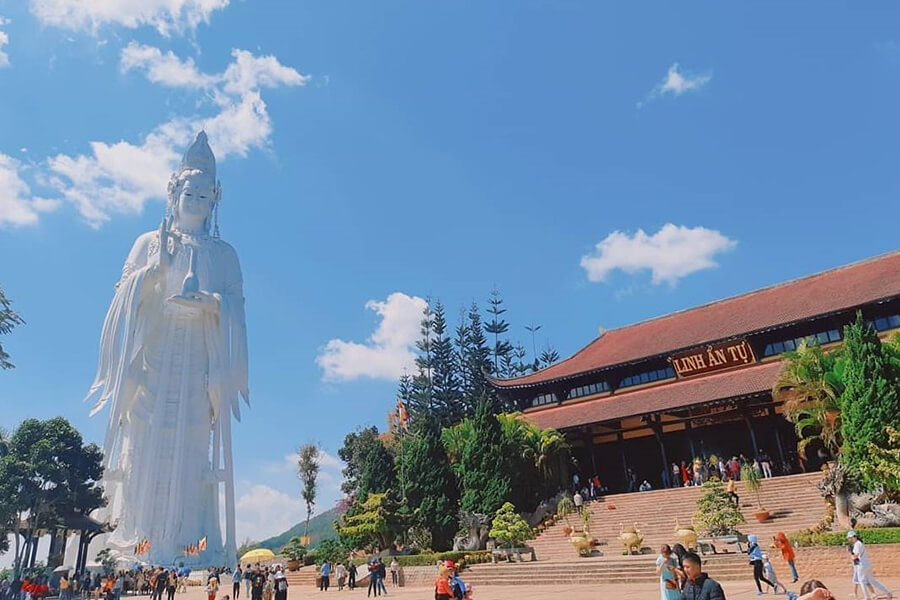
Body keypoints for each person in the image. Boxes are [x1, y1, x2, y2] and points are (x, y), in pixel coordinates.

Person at [848, 530, 893, 600]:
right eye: (849, 538)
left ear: (855, 537)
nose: (850, 539)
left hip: (861, 565)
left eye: (851, 537)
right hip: (866, 564)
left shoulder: (857, 544)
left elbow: (855, 556)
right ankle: (888, 592)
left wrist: (851, 554)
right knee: (872, 581)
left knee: (862, 581)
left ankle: (866, 597)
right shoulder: (860, 543)